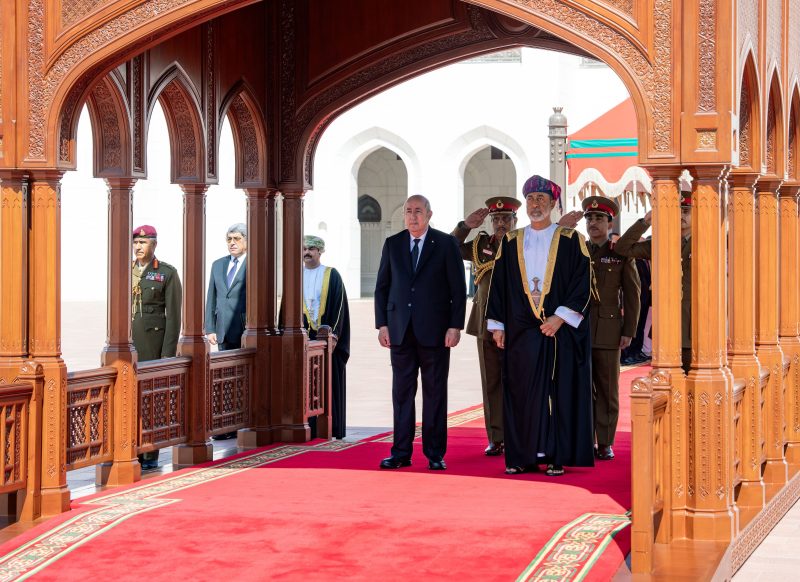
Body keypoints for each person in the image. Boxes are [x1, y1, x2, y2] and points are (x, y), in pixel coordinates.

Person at [452, 199, 583, 456]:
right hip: (484, 324)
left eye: (507, 219)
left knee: (520, 382)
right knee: (491, 383)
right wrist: (465, 226)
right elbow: (449, 248)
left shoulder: (522, 242)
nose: (501, 223)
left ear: (515, 221)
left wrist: (557, 227)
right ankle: (496, 437)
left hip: (517, 323)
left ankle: (520, 434)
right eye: (497, 219)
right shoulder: (480, 245)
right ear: (491, 222)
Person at [486, 175, 595, 477]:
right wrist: (497, 325)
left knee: (557, 392)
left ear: (554, 204)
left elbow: (582, 283)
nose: (536, 205)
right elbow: (498, 286)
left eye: (542, 200)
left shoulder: (573, 240)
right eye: (531, 199)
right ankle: (523, 455)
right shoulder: (511, 241)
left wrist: (560, 317)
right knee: (521, 392)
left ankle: (556, 455)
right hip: (520, 329)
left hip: (558, 330)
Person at [375, 195, 466, 471]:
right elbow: (382, 287)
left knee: (435, 393)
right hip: (400, 330)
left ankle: (435, 452)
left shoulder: (446, 244)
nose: (413, 216)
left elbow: (458, 290)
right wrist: (382, 324)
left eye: (418, 211)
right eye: (408, 211)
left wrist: (455, 326)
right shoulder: (393, 244)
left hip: (436, 332)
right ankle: (401, 452)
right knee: (402, 393)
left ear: (429, 214)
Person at [582, 196, 641, 461]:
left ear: (610, 222)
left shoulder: (619, 254)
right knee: (581, 388)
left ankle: (605, 441)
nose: (593, 223)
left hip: (608, 330)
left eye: (599, 219)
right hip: (578, 330)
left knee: (606, 390)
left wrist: (628, 330)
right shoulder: (578, 251)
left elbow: (632, 295)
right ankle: (583, 438)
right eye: (590, 219)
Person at [615, 186, 692, 373]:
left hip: (695, 326)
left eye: (686, 211)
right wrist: (645, 222)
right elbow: (622, 249)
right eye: (677, 211)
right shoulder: (661, 242)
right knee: (667, 385)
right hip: (666, 325)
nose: (681, 216)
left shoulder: (706, 241)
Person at [131, 225, 182, 470]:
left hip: (153, 347)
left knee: (151, 401)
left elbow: (173, 316)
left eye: (144, 242)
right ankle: (129, 450)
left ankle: (150, 454)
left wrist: (167, 355)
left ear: (154, 245)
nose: (139, 247)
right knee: (128, 400)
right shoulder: (125, 270)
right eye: (136, 243)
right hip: (127, 346)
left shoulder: (166, 273)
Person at [302, 235, 351, 440]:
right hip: (304, 341)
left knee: (327, 383)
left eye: (312, 248)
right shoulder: (296, 275)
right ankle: (306, 426)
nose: (307, 252)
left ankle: (331, 427)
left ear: (320, 251)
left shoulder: (331, 275)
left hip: (327, 342)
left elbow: (339, 307)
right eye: (304, 248)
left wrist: (333, 335)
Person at [205, 223, 248, 440]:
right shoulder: (218, 265)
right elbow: (211, 296)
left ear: (247, 242)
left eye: (237, 239)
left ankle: (240, 424)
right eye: (229, 239)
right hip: (221, 331)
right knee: (222, 380)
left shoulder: (253, 264)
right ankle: (223, 425)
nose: (232, 243)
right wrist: (210, 327)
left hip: (243, 331)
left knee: (242, 379)